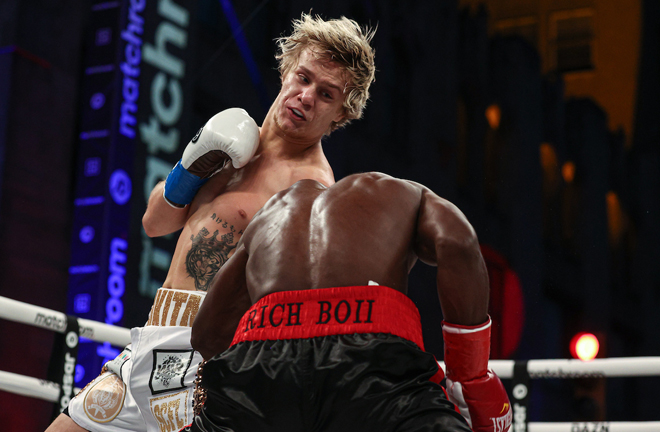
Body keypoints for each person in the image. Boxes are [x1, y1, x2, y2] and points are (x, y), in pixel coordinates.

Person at [46, 13, 376, 432]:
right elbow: (154, 222)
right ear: (286, 68)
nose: (307, 96)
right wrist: (192, 165)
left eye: (326, 94)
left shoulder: (309, 187)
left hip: (209, 364)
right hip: (150, 339)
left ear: (340, 115)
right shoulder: (233, 140)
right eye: (304, 77)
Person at [189, 172, 512, 432]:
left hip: (259, 367)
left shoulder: (272, 212)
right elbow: (457, 242)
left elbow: (206, 336)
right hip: (370, 365)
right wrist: (469, 375)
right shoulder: (405, 193)